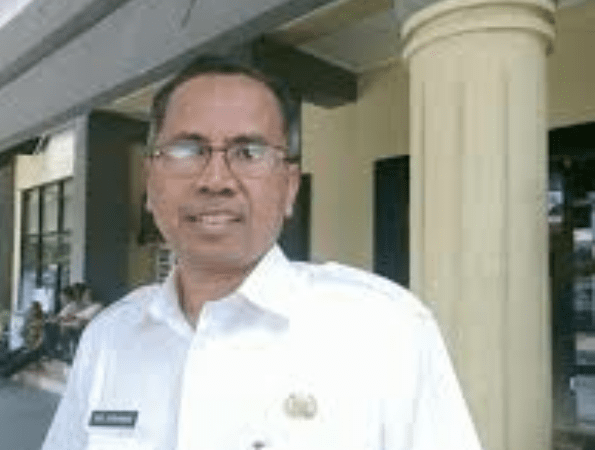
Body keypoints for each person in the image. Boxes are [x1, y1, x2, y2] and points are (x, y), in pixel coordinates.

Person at [42, 56, 482, 450]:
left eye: (249, 152)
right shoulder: (109, 339)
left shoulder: (385, 331)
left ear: (289, 187)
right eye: (187, 149)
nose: (215, 180)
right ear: (151, 183)